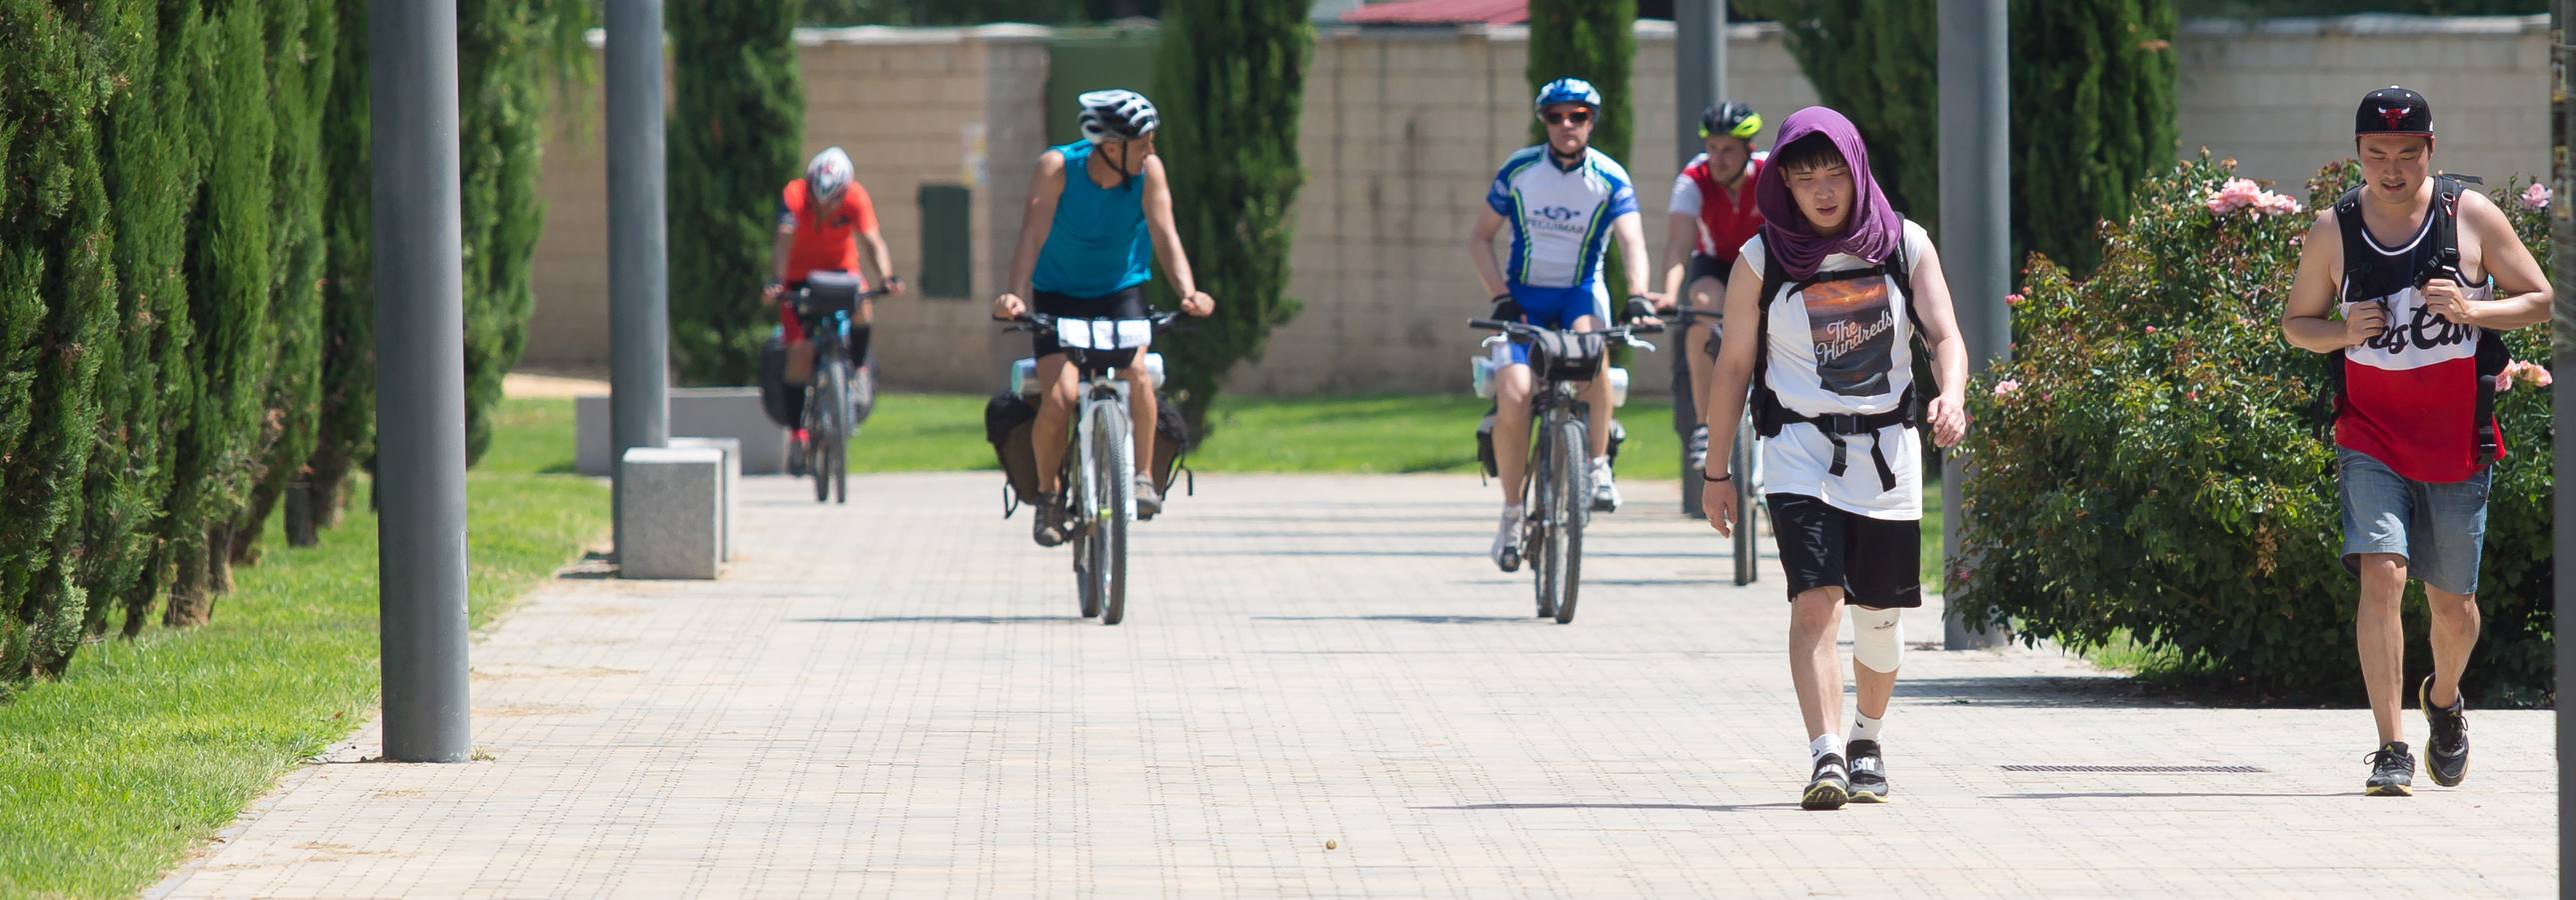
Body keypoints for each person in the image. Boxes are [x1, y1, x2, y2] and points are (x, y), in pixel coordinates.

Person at [2280, 86, 2552, 797]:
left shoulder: (2469, 216)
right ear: (2357, 153)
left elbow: (2541, 297)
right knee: (2382, 574)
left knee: (2452, 608)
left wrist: (2473, 307)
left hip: (2456, 441)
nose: (2391, 169)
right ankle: (2390, 746)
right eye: (2375, 155)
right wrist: (2342, 331)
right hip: (2369, 436)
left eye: (2406, 154)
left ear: (2429, 149)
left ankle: (2443, 700)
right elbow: (2295, 324)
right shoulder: (2332, 229)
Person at [1697, 107, 1970, 810]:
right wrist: (1716, 471)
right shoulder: (1760, 259)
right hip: (1797, 450)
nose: (1820, 190)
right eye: (1802, 177)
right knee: (1814, 602)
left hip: (1886, 451)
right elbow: (1730, 369)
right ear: (1782, 185)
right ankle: (1824, 757)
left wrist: (1952, 395)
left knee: (1878, 617)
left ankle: (1866, 740)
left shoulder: (1904, 245)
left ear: (1855, 170)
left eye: (1832, 174)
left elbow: (1944, 335)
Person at [992, 89, 1216, 547]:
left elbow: (1164, 232)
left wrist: (1189, 292)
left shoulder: (1148, 173)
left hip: (1120, 291)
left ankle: (1143, 479)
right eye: (1145, 142)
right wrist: (1014, 297)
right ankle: (1050, 496)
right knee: (1059, 397)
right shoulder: (1056, 169)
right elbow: (1032, 236)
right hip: (1059, 295)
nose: (1152, 151)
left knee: (1136, 374)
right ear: (1112, 148)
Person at [1469, 76, 1661, 573]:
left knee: (1593, 349)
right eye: (1555, 116)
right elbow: (1479, 239)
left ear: (1592, 121)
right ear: (1544, 122)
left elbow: (1631, 242)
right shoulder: (1519, 170)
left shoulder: (1610, 176)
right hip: (1524, 299)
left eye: (1577, 115)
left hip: (1579, 293)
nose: (1566, 125)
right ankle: (1513, 513)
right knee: (1513, 393)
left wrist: (1638, 294)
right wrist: (1500, 297)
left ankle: (1597, 467)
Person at [1661, 102, 1767, 473]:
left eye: (1728, 150)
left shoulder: (1770, 173)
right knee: (1702, 310)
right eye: (1712, 148)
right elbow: (1678, 245)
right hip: (1716, 264)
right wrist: (1668, 293)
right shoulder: (1693, 179)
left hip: (1763, 260)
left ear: (1748, 150)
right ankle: (1706, 425)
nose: (1718, 159)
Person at [765, 146, 905, 363]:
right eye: (815, 201)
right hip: (797, 275)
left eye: (832, 202)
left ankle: (859, 369)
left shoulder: (856, 197)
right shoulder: (794, 194)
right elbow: (783, 239)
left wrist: (886, 277)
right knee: (799, 356)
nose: (823, 209)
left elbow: (873, 241)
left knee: (862, 303)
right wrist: (778, 280)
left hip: (841, 270)